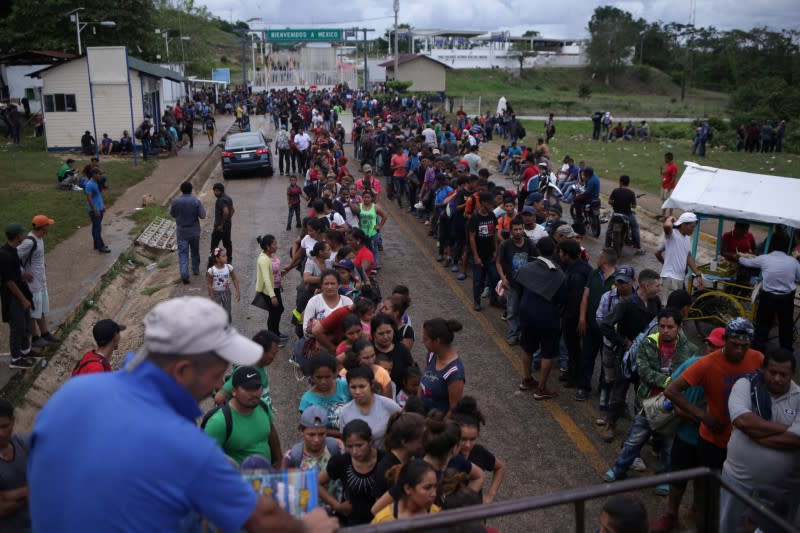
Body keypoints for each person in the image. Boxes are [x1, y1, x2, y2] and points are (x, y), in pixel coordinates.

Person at [28, 296, 337, 532]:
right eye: (217, 375)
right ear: (183, 370)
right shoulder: (183, 444)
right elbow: (263, 519)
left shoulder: (69, 395)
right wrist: (308, 526)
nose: (219, 385)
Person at [602, 309, 696, 483]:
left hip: (672, 404)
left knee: (668, 447)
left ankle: (665, 480)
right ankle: (618, 470)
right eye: (662, 326)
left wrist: (670, 385)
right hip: (648, 402)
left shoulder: (690, 349)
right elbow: (644, 372)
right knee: (634, 441)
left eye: (670, 327)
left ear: (679, 327)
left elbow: (688, 377)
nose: (666, 330)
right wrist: (671, 382)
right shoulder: (648, 343)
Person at [665, 318, 764, 473]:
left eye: (744, 346)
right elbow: (671, 390)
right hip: (713, 439)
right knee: (705, 486)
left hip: (743, 438)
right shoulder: (707, 363)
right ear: (725, 340)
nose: (739, 350)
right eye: (734, 345)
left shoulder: (757, 358)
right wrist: (702, 415)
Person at [650, 327, 723, 533]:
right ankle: (670, 514)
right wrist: (686, 413)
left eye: (717, 346)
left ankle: (695, 510)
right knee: (678, 478)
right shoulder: (693, 364)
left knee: (704, 481)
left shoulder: (728, 375)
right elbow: (670, 389)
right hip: (686, 435)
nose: (711, 349)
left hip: (711, 440)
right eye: (710, 344)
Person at [719, 348, 800, 531]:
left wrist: (755, 433)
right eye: (772, 372)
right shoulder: (746, 385)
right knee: (728, 527)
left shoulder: (799, 397)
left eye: (783, 374)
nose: (777, 378)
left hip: (782, 490)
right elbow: (743, 420)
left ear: (792, 375)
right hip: (738, 480)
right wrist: (787, 429)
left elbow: (796, 440)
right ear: (763, 369)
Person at [598, 269, 663, 441]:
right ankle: (610, 424)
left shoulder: (655, 302)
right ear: (645, 285)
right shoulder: (626, 303)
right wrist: (623, 342)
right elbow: (605, 325)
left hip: (647, 357)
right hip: (627, 357)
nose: (659, 289)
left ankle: (640, 429)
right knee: (619, 391)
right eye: (657, 285)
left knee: (643, 393)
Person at [203, 365, 280, 467]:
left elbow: (271, 432)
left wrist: (279, 460)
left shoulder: (263, 405)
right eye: (248, 389)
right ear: (234, 391)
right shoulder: (219, 422)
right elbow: (206, 459)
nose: (254, 394)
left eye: (257, 387)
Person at [736, 232, 800, 352]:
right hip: (786, 298)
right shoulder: (793, 262)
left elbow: (747, 262)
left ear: (772, 245)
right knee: (786, 326)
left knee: (763, 325)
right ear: (788, 246)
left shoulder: (765, 258)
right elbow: (798, 278)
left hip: (768, 297)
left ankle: (758, 351)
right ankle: (786, 351)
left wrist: (739, 257)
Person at [517, 252, 567, 400]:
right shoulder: (559, 275)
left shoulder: (528, 267)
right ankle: (541, 388)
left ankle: (526, 379)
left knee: (527, 348)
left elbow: (518, 286)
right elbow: (563, 299)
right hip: (547, 317)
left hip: (526, 313)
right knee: (548, 353)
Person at [318, 419, 383, 526]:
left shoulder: (385, 461)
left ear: (370, 441)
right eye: (350, 446)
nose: (355, 452)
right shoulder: (342, 462)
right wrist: (336, 506)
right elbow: (316, 482)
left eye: (359, 445)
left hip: (383, 522)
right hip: (354, 524)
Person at [575, 248, 617, 401]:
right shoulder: (594, 273)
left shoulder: (619, 279)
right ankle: (583, 387)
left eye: (599, 256)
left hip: (609, 331)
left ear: (604, 260)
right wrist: (582, 318)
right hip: (591, 326)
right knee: (586, 357)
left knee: (607, 361)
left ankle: (603, 388)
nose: (596, 258)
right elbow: (585, 297)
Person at [0, 223, 41, 369]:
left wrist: (23, 276)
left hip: (20, 291)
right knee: (17, 327)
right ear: (17, 236)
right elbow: (9, 281)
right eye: (21, 234)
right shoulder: (5, 255)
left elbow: (14, 273)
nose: (24, 236)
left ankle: (25, 350)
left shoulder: (12, 251)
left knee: (25, 323)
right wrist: (23, 299)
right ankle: (16, 358)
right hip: (12, 296)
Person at [452, 397, 506, 503]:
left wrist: (490, 494)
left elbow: (500, 467)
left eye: (472, 439)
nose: (468, 445)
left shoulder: (479, 452)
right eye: (463, 439)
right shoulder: (445, 456)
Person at [17, 215, 60, 348]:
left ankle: (45, 333)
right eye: (48, 225)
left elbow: (36, 256)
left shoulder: (40, 239)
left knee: (40, 310)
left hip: (40, 281)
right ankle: (35, 338)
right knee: (32, 312)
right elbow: (13, 257)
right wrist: (23, 274)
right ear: (42, 227)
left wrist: (42, 264)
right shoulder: (29, 242)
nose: (49, 227)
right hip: (32, 284)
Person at [339, 365, 401, 450]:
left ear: (371, 385)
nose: (357, 392)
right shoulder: (345, 412)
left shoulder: (389, 405)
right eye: (353, 387)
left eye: (362, 387)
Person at [496, 216, 536, 345]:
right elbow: (498, 262)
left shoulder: (530, 244)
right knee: (512, 310)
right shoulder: (505, 245)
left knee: (525, 310)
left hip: (527, 284)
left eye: (520, 229)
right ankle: (512, 334)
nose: (518, 231)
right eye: (515, 229)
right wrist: (503, 278)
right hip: (512, 284)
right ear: (511, 231)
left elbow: (535, 261)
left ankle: (524, 334)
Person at [558, 240, 592, 392]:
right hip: (573, 315)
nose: (559, 255)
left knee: (574, 347)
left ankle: (575, 376)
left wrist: (574, 318)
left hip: (574, 317)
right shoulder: (577, 266)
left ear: (566, 254)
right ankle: (571, 372)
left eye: (561, 252)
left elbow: (576, 299)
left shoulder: (577, 273)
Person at [420, 318, 465, 416]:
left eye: (425, 339)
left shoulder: (455, 373)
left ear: (437, 341)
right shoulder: (431, 356)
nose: (422, 342)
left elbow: (454, 410)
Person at [371, 459, 440, 523]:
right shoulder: (383, 520)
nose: (434, 494)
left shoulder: (438, 514)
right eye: (427, 488)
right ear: (408, 488)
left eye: (435, 487)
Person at [299, 354, 352, 438]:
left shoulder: (345, 385)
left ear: (335, 374)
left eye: (327, 377)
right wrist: (342, 434)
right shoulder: (307, 400)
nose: (323, 382)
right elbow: (311, 428)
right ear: (312, 377)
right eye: (319, 377)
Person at [656, 212, 703, 305]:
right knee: (667, 307)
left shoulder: (687, 239)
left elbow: (688, 257)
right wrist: (671, 218)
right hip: (670, 278)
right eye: (692, 227)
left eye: (694, 227)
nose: (693, 230)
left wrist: (697, 273)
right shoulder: (672, 234)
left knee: (676, 307)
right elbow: (667, 226)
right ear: (683, 225)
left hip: (680, 278)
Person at [0, 399, 30, 531]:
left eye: (4, 427)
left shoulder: (23, 443)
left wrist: (11, 495)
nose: (0, 434)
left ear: (12, 421)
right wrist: (31, 491)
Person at [169, 181, 206, 284]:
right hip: (194, 231)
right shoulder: (196, 201)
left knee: (183, 253)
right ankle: (195, 269)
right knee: (195, 251)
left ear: (181, 190)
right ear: (191, 190)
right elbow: (202, 215)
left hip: (182, 232)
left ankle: (184, 274)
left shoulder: (175, 202)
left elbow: (172, 214)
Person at [468, 191, 498, 311]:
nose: (492, 205)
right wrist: (476, 256)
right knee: (477, 280)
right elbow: (472, 237)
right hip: (479, 255)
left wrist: (496, 250)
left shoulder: (492, 216)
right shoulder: (475, 218)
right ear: (484, 203)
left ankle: (493, 299)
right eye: (490, 203)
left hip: (490, 254)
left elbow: (495, 234)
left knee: (494, 277)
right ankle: (476, 302)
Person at [255, 235, 286, 340]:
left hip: (275, 287)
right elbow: (266, 279)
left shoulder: (271, 255)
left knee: (279, 310)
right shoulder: (263, 260)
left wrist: (279, 280)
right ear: (268, 247)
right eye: (274, 244)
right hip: (268, 291)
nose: (277, 246)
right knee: (274, 312)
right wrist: (272, 296)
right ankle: (272, 338)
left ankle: (276, 333)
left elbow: (274, 272)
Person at [606, 175, 643, 254]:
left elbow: (609, 201)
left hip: (616, 214)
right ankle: (638, 248)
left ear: (621, 182)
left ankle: (607, 245)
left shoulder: (615, 191)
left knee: (609, 229)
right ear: (628, 183)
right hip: (627, 215)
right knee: (635, 227)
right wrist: (628, 204)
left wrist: (614, 202)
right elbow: (634, 206)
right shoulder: (631, 193)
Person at [206, 247, 240, 322]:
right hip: (216, 294)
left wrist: (237, 291)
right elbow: (209, 283)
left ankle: (228, 328)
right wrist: (211, 295)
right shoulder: (211, 271)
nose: (226, 257)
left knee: (227, 312)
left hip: (226, 293)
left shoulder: (229, 267)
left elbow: (235, 279)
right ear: (217, 259)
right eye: (223, 256)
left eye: (226, 255)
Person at [84, 168, 110, 253]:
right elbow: (89, 199)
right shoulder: (89, 184)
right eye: (99, 174)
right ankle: (101, 246)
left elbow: (98, 196)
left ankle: (96, 244)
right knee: (97, 228)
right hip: (95, 210)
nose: (100, 175)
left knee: (96, 227)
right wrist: (95, 210)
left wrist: (102, 206)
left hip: (99, 208)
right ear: (94, 174)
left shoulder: (96, 183)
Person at [210, 183, 234, 263]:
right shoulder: (228, 198)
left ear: (221, 191)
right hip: (228, 225)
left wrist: (221, 225)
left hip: (220, 227)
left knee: (214, 245)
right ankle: (229, 259)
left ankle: (214, 260)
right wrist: (228, 219)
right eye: (214, 191)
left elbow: (226, 211)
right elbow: (233, 210)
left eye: (216, 191)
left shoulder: (220, 200)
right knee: (227, 243)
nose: (215, 193)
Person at [660, 152, 678, 219]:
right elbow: (664, 174)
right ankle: (663, 214)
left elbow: (674, 177)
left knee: (669, 201)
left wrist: (669, 187)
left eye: (665, 158)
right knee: (664, 200)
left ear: (668, 158)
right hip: (664, 185)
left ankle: (670, 214)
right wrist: (661, 171)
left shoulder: (674, 166)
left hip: (669, 187)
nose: (664, 159)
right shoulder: (668, 165)